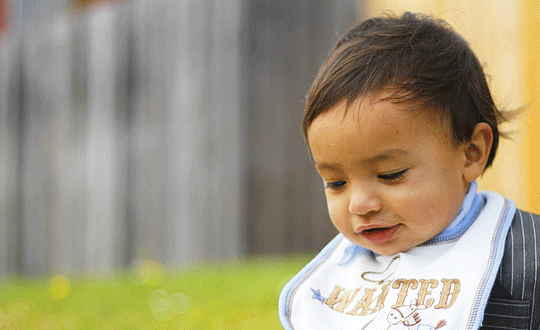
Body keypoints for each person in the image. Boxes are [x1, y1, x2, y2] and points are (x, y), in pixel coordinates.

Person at [278, 12, 540, 330]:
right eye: (336, 182)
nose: (359, 204)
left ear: (471, 153)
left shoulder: (525, 258)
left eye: (391, 174)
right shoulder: (336, 280)